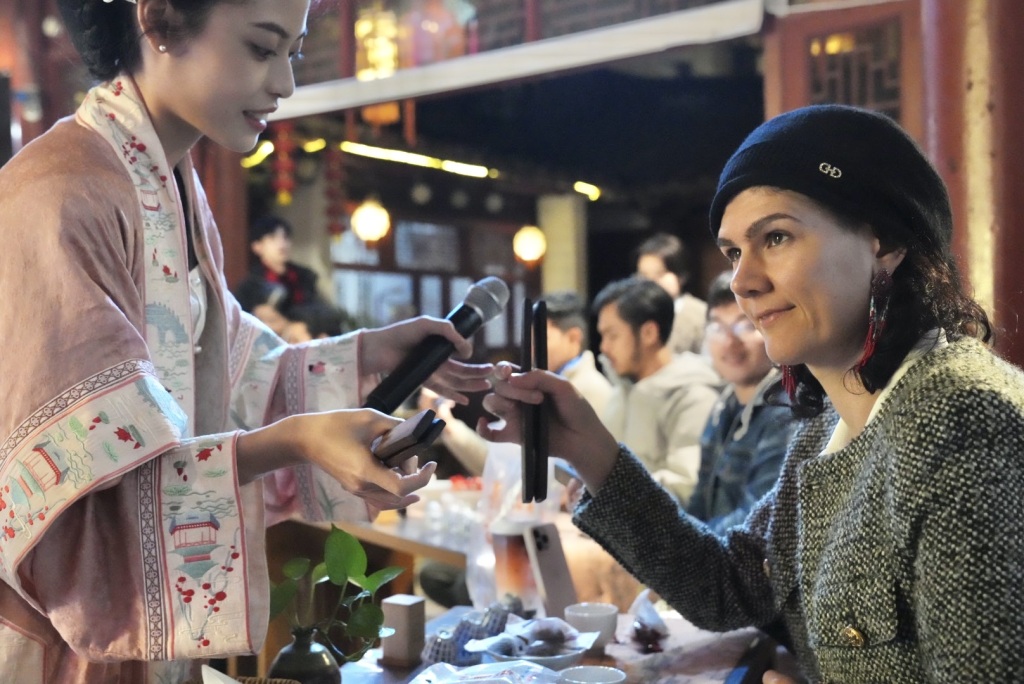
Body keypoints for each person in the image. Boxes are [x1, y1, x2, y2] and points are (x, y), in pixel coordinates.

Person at [0, 1, 493, 681]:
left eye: (293, 52)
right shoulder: (56, 197)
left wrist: (371, 356)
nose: (285, 84)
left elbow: (230, 375)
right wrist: (293, 441)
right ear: (160, 21)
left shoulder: (171, 184)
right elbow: (81, 491)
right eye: (263, 49)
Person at [480, 104, 1024, 682]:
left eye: (777, 237)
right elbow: (728, 585)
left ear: (883, 242)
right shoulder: (828, 427)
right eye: (735, 251)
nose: (743, 281)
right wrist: (588, 449)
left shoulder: (962, 416)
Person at [594, 277, 721, 503]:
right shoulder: (620, 392)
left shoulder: (693, 396)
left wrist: (609, 495)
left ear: (649, 333)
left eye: (612, 335)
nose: (604, 347)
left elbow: (686, 486)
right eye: (602, 336)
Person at [687, 271, 794, 533]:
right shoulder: (723, 407)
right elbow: (698, 504)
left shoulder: (786, 410)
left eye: (745, 326)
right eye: (717, 327)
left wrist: (680, 545)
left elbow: (757, 522)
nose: (729, 342)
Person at [233, 214, 322, 332]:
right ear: (257, 246)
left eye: (285, 237)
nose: (282, 244)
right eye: (272, 238)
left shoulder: (305, 277)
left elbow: (318, 310)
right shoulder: (250, 285)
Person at [634, 232, 708, 355]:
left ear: (681, 275)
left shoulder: (700, 314)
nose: (650, 282)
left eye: (659, 274)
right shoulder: (633, 314)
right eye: (644, 275)